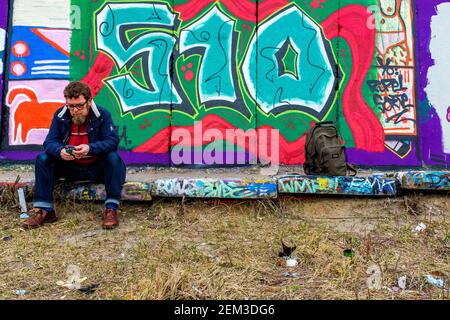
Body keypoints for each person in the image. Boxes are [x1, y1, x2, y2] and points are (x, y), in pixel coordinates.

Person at [22, 81, 126, 229]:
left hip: (97, 168)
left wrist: (90, 148)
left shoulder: (102, 115)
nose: (75, 110)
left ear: (89, 101)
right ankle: (45, 211)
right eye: (70, 106)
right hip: (71, 168)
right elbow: (49, 142)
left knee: (113, 158)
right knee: (43, 158)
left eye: (79, 105)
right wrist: (60, 151)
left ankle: (111, 209)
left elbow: (112, 142)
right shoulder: (60, 115)